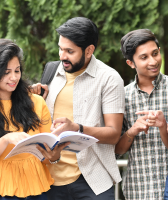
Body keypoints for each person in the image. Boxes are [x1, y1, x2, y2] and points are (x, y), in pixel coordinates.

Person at [32, 17, 125, 200]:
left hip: (91, 182)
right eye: (60, 48)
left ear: (89, 50)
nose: (62, 56)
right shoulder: (51, 71)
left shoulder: (109, 79)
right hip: (48, 180)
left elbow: (114, 134)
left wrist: (78, 129)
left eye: (69, 51)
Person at [0, 39, 68, 200]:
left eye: (17, 70)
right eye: (6, 72)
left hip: (36, 189)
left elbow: (48, 157)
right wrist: (6, 140)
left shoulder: (36, 102)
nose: (14, 77)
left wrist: (54, 157)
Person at [115, 29, 168, 200]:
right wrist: (132, 130)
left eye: (155, 54)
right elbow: (117, 150)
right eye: (144, 57)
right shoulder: (122, 97)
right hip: (137, 190)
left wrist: (163, 126)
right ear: (131, 63)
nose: (153, 61)